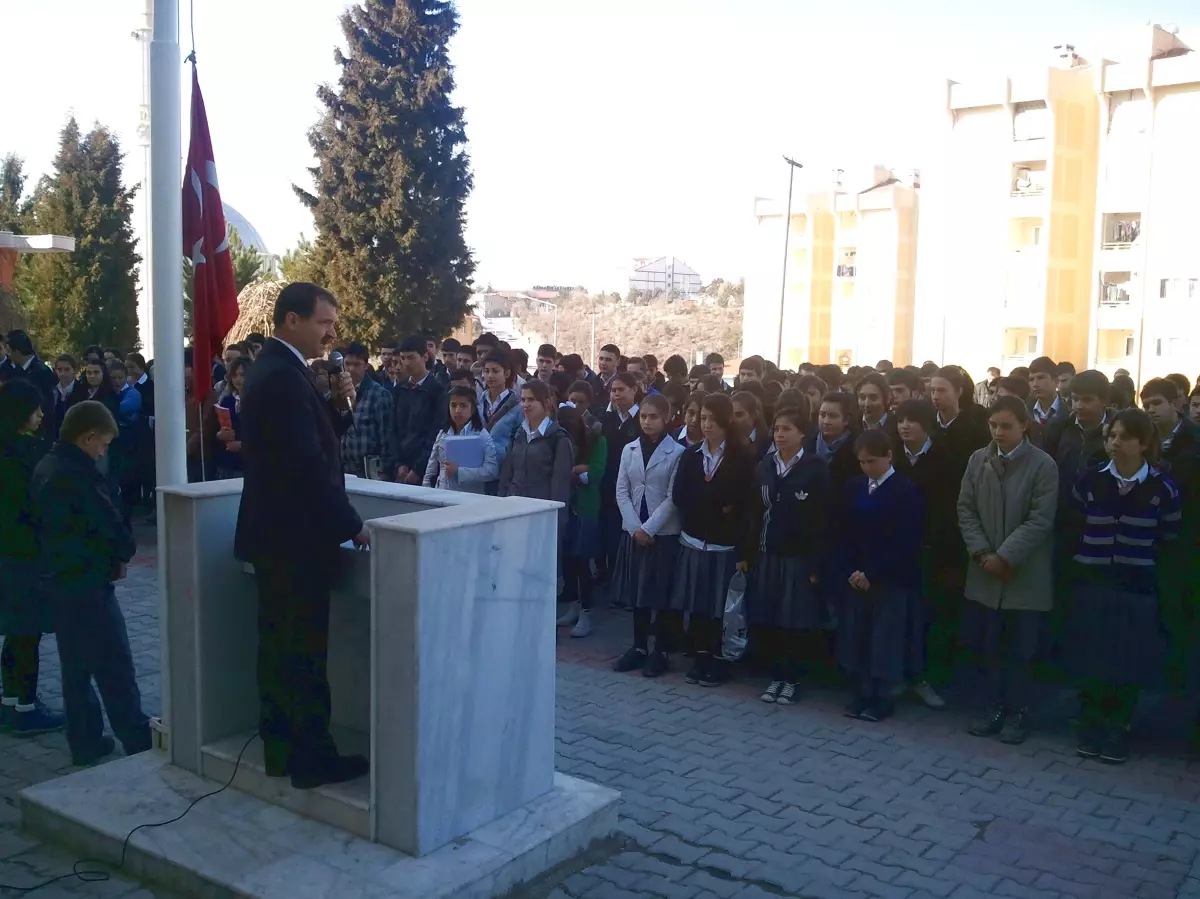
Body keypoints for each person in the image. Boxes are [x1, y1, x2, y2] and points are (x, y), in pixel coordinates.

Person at [235, 282, 370, 790]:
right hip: (293, 542)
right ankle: (312, 758)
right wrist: (351, 524)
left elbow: (317, 440)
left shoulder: (282, 370)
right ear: (292, 320)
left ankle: (282, 750)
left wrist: (338, 406)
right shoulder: (282, 377)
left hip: (278, 537)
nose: (331, 332)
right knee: (301, 653)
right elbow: (306, 466)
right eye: (323, 322)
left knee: (281, 648)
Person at [30, 400, 150, 765]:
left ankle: (84, 739)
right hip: (87, 583)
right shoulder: (78, 474)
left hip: (60, 580)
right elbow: (111, 526)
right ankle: (136, 737)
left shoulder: (47, 465)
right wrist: (122, 551)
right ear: (88, 438)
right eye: (104, 444)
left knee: (76, 668)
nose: (104, 451)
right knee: (114, 665)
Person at [1066, 409, 1180, 764]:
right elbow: (1073, 526)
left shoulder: (1163, 488)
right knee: (1092, 656)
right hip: (1093, 584)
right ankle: (1091, 721)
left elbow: (1169, 539)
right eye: (1111, 436)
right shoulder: (1090, 480)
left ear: (1144, 443)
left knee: (1127, 660)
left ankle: (1119, 725)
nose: (1115, 443)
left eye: (1124, 436)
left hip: (1136, 587)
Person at [957, 396, 1058, 745]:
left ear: (1024, 425)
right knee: (991, 648)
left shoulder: (1043, 465)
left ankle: (1019, 712)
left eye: (1006, 426)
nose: (998, 432)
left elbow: (1040, 519)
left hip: (1023, 576)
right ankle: (993, 707)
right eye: (993, 425)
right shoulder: (978, 460)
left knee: (1022, 651)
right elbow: (965, 509)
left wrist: (1006, 556)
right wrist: (984, 553)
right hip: (985, 573)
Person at [836, 430, 924, 722]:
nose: (866, 468)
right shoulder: (853, 486)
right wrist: (850, 568)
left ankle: (882, 696)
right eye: (861, 462)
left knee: (885, 637)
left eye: (871, 461)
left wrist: (873, 571)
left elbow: (905, 539)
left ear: (888, 456)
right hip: (856, 575)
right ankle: (860, 691)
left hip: (889, 577)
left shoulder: (905, 490)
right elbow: (842, 531)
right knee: (858, 634)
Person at [749, 400, 832, 705]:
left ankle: (793, 678)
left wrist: (816, 564)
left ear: (802, 434)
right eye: (776, 429)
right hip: (768, 553)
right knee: (770, 616)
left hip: (800, 558)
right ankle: (775, 676)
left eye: (787, 429)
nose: (780, 435)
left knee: (794, 620)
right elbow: (755, 513)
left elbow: (823, 520)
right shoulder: (765, 466)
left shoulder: (815, 469)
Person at [670, 393, 756, 688]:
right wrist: (716, 504)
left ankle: (721, 658)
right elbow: (680, 496)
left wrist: (717, 505)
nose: (704, 424)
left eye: (711, 419)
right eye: (701, 418)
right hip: (694, 539)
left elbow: (743, 504)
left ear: (725, 421)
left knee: (722, 604)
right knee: (698, 602)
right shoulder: (691, 455)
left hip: (725, 543)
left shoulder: (742, 457)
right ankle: (701, 654)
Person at [0, 381, 63, 735]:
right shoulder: (28, 454)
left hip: (6, 551)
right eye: (36, 409)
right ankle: (25, 705)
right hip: (26, 553)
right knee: (27, 632)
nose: (41, 415)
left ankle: (9, 700)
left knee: (14, 630)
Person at [892, 398, 961, 709]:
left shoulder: (945, 457)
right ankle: (899, 676)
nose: (905, 426)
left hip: (934, 551)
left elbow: (950, 510)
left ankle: (926, 679)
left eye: (912, 420)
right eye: (900, 420)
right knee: (900, 617)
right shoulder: (892, 455)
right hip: (898, 550)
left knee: (931, 619)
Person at [612, 394, 685, 676]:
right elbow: (622, 491)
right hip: (633, 531)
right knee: (637, 592)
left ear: (666, 418)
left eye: (654, 417)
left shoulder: (676, 452)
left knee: (661, 593)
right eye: (643, 416)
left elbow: (672, 497)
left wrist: (649, 528)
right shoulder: (629, 449)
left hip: (662, 533)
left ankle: (661, 650)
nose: (647, 421)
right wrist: (634, 527)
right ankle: (639, 646)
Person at [1139, 377, 1200, 696]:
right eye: (1146, 405)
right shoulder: (1143, 440)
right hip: (1148, 540)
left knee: (1180, 616)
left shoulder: (1194, 441)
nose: (1151, 411)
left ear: (1176, 403)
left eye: (1157, 403)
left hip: (1184, 543)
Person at [498, 379, 574, 546]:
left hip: (541, 513)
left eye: (531, 400)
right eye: (523, 400)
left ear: (546, 402)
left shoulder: (558, 438)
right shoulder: (519, 433)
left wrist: (557, 522)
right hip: (514, 509)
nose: (525, 404)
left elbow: (560, 486)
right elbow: (508, 473)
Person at [558, 404, 606, 638]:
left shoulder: (598, 441)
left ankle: (587, 612)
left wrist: (576, 471)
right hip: (568, 505)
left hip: (587, 508)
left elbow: (594, 473)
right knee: (568, 560)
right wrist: (576, 470)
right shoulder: (562, 441)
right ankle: (574, 606)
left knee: (583, 561)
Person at [597, 373, 643, 592]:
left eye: (621, 389)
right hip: (608, 485)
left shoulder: (643, 419)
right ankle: (611, 582)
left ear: (634, 390)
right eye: (613, 390)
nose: (615, 394)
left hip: (633, 487)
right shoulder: (607, 420)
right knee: (610, 536)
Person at [389, 335, 447, 485]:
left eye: (411, 357)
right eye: (403, 358)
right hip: (399, 468)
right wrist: (399, 464)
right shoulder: (399, 390)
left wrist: (418, 469)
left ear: (425, 357)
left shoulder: (438, 391)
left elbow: (436, 433)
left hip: (426, 470)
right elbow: (392, 430)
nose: (407, 363)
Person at [422, 386, 498, 493]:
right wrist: (426, 489)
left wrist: (459, 472)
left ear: (472, 409)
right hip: (442, 492)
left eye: (463, 406)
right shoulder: (443, 433)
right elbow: (431, 466)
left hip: (470, 496)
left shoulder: (482, 435)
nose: (457, 410)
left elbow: (491, 471)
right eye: (453, 405)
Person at [339, 342, 393, 479]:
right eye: (347, 364)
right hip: (343, 470)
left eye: (356, 364)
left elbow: (387, 437)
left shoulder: (379, 394)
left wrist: (385, 472)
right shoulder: (336, 393)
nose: (351, 369)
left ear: (366, 366)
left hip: (369, 471)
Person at [929, 365, 990, 480]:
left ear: (959, 392)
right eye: (933, 390)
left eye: (942, 390)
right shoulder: (926, 422)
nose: (935, 396)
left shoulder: (976, 425)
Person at [808, 392, 859, 487]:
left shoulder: (857, 449)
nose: (826, 421)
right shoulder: (806, 445)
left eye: (833, 416)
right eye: (822, 415)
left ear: (846, 420)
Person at [212, 355, 250, 480]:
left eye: (242, 375)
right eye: (235, 375)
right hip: (226, 464)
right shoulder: (226, 401)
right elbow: (213, 430)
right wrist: (220, 434)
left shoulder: (257, 402)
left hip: (248, 466)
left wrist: (243, 445)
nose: (238, 379)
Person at [1027, 356, 1064, 433]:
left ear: (1056, 381)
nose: (1035, 384)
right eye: (1031, 379)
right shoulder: (1024, 411)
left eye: (1041, 378)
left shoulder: (1069, 413)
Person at [731, 390, 769, 460]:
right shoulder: (728, 442)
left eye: (739, 415)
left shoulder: (768, 442)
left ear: (754, 415)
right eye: (731, 415)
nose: (733, 420)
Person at [51, 354, 79, 438]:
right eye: (59, 370)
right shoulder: (52, 391)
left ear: (74, 370)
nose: (63, 373)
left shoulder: (81, 390)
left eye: (67, 369)